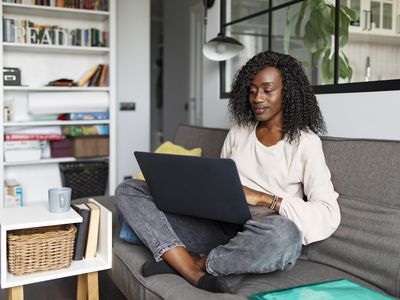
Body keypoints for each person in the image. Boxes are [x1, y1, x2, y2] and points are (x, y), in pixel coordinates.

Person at [115, 51, 340, 293]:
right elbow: (218, 181)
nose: (257, 98)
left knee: (285, 236)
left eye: (267, 90)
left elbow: (328, 213)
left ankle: (191, 263)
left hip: (260, 232)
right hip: (216, 226)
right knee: (129, 190)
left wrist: (264, 198)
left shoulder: (306, 143)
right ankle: (195, 267)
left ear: (288, 92)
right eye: (252, 90)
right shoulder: (239, 131)